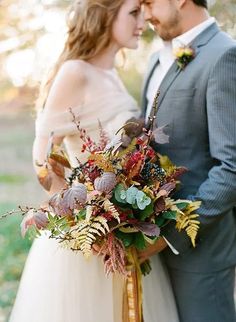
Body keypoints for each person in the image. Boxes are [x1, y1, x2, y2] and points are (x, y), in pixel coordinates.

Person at [9, 1, 179, 321]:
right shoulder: (76, 71)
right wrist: (83, 221)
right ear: (104, 14)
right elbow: (41, 155)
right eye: (132, 12)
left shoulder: (112, 73)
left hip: (125, 229)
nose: (142, 20)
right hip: (89, 243)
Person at [139, 0, 236, 321]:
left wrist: (170, 234)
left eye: (148, 2)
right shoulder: (155, 60)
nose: (145, 14)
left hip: (200, 252)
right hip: (148, 245)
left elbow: (231, 167)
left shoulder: (224, 55)